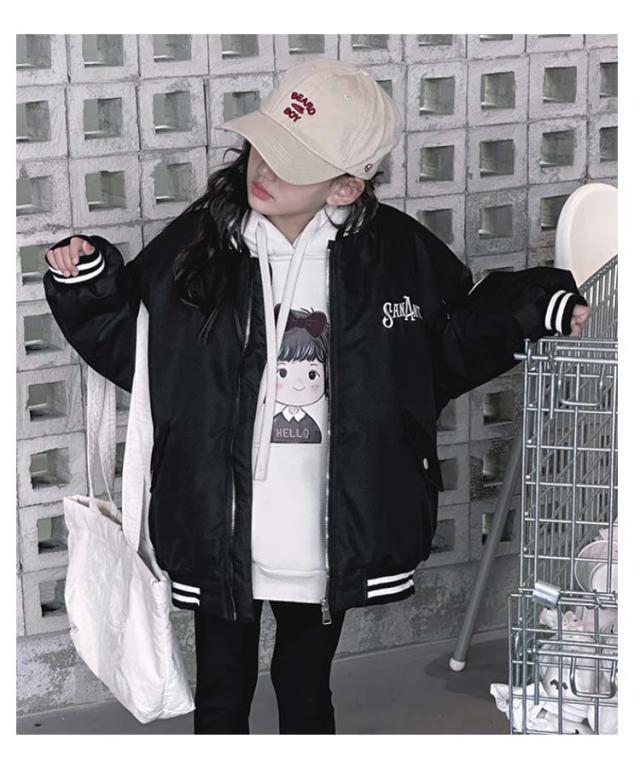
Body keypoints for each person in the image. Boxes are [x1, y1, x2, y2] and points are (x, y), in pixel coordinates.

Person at [42, 58, 592, 735]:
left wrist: (539, 306)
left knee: (305, 686)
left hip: (329, 528)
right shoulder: (202, 242)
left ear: (345, 185)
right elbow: (138, 345)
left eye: (292, 161)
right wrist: (87, 279)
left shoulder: (393, 254)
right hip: (223, 517)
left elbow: (451, 339)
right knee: (221, 694)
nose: (263, 169)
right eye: (264, 145)